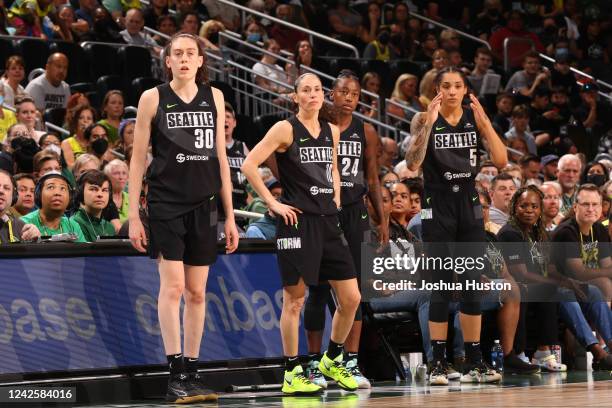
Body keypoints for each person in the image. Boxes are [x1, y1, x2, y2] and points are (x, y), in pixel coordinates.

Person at [128, 33, 239, 403]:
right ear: (169, 62)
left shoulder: (216, 97)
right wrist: (133, 215)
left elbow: (221, 160)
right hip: (164, 204)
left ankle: (192, 372)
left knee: (196, 293)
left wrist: (230, 215)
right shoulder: (152, 98)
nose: (186, 59)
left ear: (201, 60)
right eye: (178, 53)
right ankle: (174, 372)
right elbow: (137, 159)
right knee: (173, 288)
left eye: (192, 53)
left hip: (205, 205)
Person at [241, 73, 362, 394]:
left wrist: (335, 196)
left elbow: (333, 168)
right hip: (296, 222)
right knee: (295, 301)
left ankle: (333, 357)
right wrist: (272, 202)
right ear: (295, 97)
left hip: (328, 221)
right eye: (305, 90)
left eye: (317, 90)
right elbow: (249, 165)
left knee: (351, 298)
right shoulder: (284, 128)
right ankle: (292, 370)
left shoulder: (332, 131)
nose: (312, 95)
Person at [405, 66, 507, 385]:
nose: (451, 91)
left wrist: (487, 123)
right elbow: (412, 163)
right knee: (442, 284)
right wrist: (429, 124)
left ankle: (475, 361)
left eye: (457, 86)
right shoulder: (425, 118)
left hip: (469, 205)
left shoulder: (473, 118)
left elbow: (502, 161)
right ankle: (438, 362)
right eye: (445, 86)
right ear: (436, 89)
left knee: (471, 285)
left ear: (465, 90)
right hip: (437, 205)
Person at [302, 70, 387, 390]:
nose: (350, 97)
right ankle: (312, 364)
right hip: (323, 213)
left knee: (357, 295)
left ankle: (348, 363)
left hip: (355, 214)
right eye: (344, 92)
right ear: (331, 94)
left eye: (355, 93)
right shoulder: (316, 127)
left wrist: (381, 218)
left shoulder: (367, 131)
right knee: (319, 289)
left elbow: (374, 179)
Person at [496, 185, 566, 372]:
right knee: (541, 291)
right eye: (523, 206)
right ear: (514, 208)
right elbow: (521, 273)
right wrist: (554, 282)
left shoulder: (538, 232)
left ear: (540, 210)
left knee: (559, 292)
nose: (529, 211)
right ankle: (519, 353)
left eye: (534, 207)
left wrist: (566, 282)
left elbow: (550, 267)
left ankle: (543, 353)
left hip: (533, 284)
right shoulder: (510, 233)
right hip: (516, 284)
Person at [21, 171, 86, 242]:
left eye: (63, 188)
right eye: (51, 187)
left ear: (70, 198)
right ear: (38, 195)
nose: (57, 193)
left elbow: (84, 252)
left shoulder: (73, 226)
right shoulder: (24, 223)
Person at [70, 169, 116, 242]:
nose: (100, 195)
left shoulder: (110, 227)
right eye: (93, 189)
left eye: (104, 190)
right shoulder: (74, 223)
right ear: (81, 193)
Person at [0, 170, 40, 243]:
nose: (1, 191)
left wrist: (36, 241)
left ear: (14, 196)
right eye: (22, 189)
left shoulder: (21, 226)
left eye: (6, 188)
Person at [223, 103, 249, 211]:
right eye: (222, 117)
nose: (225, 120)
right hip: (223, 198)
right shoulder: (212, 146)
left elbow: (253, 172)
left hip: (243, 197)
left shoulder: (242, 146)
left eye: (228, 117)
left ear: (234, 123)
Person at [62, 104, 95, 170]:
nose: (85, 121)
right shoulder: (67, 143)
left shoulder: (96, 141)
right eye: (81, 118)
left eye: (89, 118)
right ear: (75, 121)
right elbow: (70, 167)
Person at [104, 159, 129, 224]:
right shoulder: (103, 198)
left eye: (124, 173)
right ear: (107, 177)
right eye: (116, 173)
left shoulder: (132, 199)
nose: (121, 177)